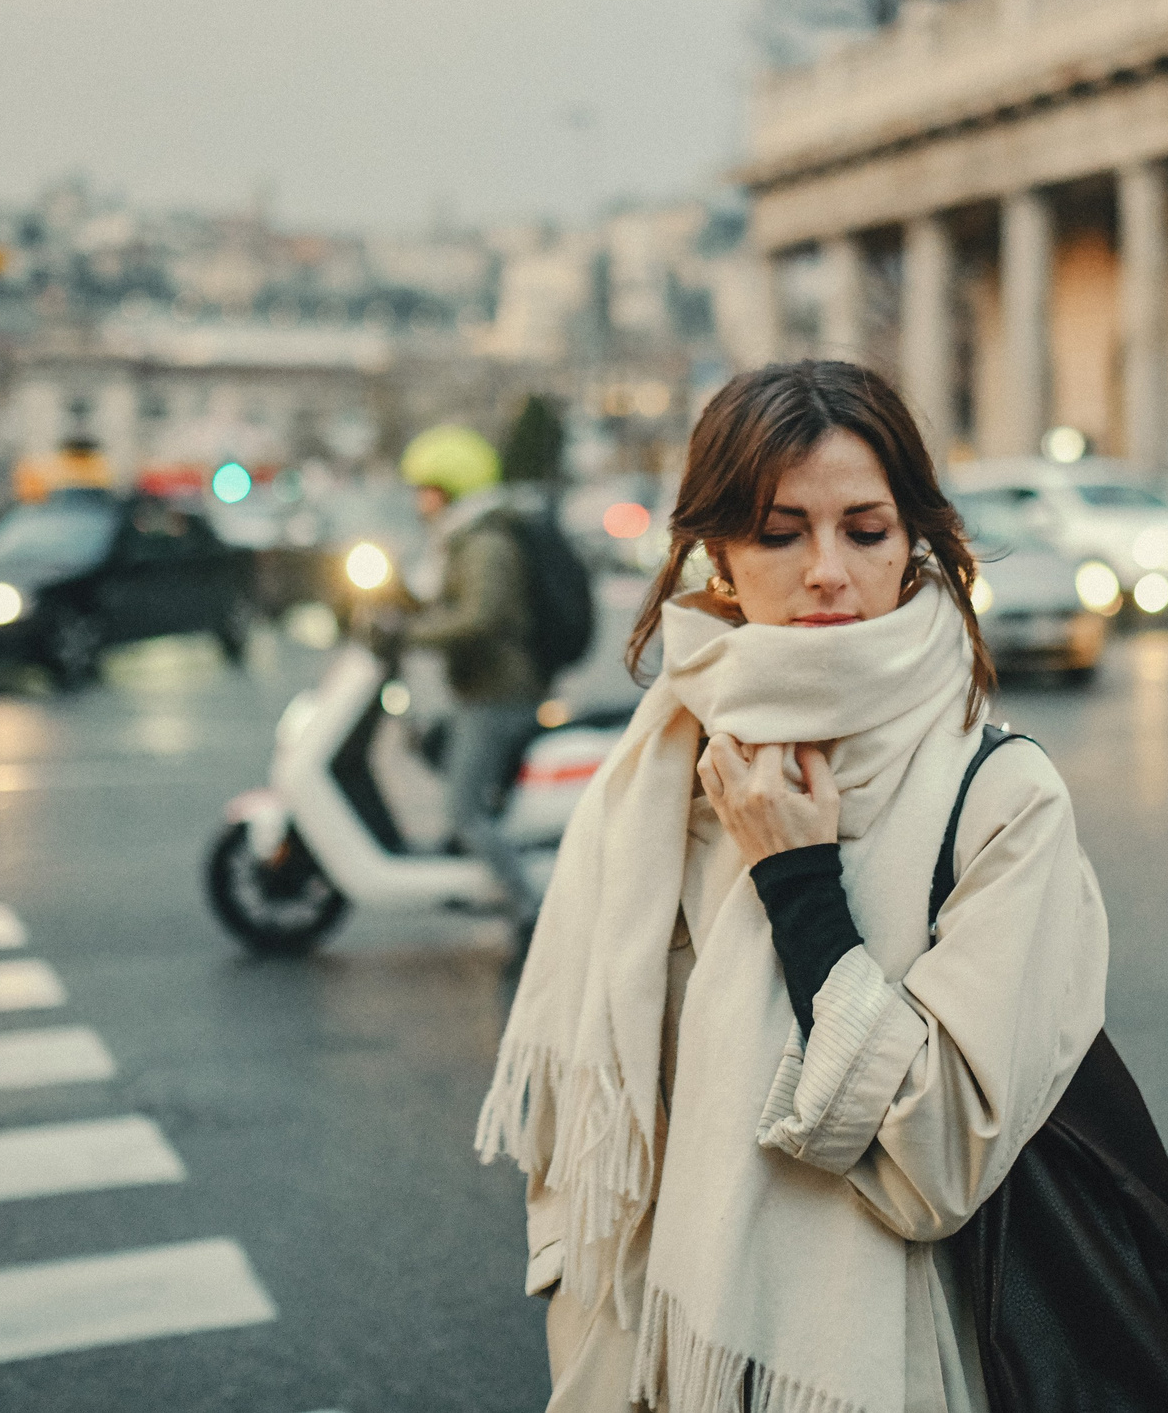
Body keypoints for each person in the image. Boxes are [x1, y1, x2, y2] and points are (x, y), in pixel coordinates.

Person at [476, 362, 1108, 1413]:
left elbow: (940, 1153)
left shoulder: (1002, 797)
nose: (827, 570)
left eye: (865, 529)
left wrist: (799, 880)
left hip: (865, 1363)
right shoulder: (662, 763)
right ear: (716, 551)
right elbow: (601, 1129)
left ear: (914, 541)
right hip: (642, 1350)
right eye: (780, 532)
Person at [397, 423, 548, 925]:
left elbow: (481, 618)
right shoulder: (462, 540)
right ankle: (476, 868)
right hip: (480, 690)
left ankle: (532, 911)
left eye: (429, 491)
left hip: (499, 695)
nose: (421, 503)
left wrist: (410, 634)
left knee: (464, 811)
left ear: (453, 490)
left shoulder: (486, 545)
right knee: (430, 744)